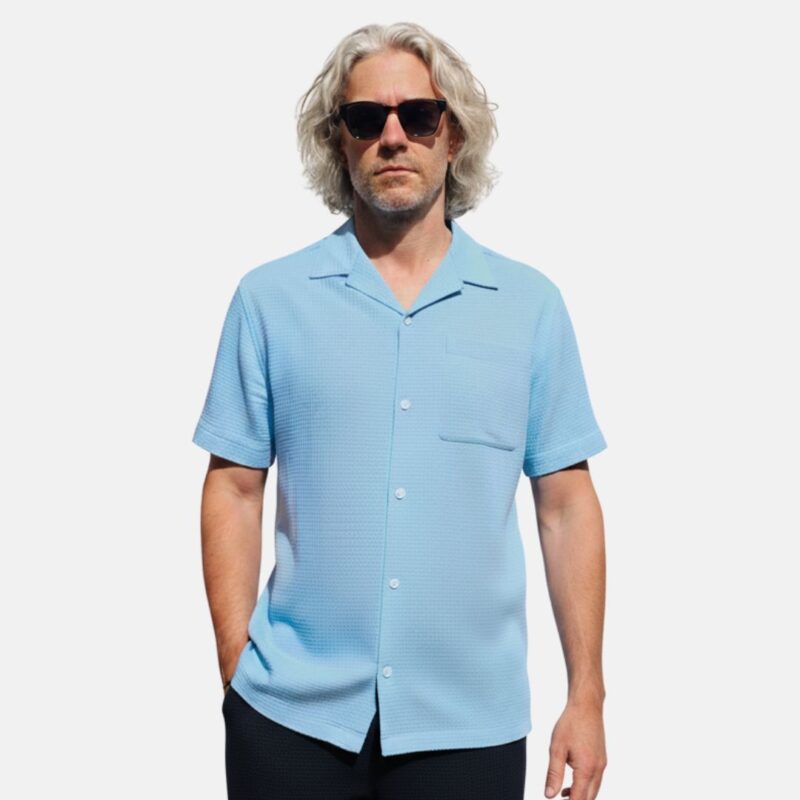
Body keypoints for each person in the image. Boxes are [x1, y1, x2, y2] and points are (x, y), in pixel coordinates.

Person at [192, 21, 609, 800]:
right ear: (339, 141)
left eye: (418, 115)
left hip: (470, 725)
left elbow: (565, 505)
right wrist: (237, 675)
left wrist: (586, 694)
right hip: (290, 721)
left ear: (454, 136)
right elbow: (235, 486)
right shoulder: (269, 301)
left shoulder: (529, 308)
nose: (392, 137)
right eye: (365, 118)